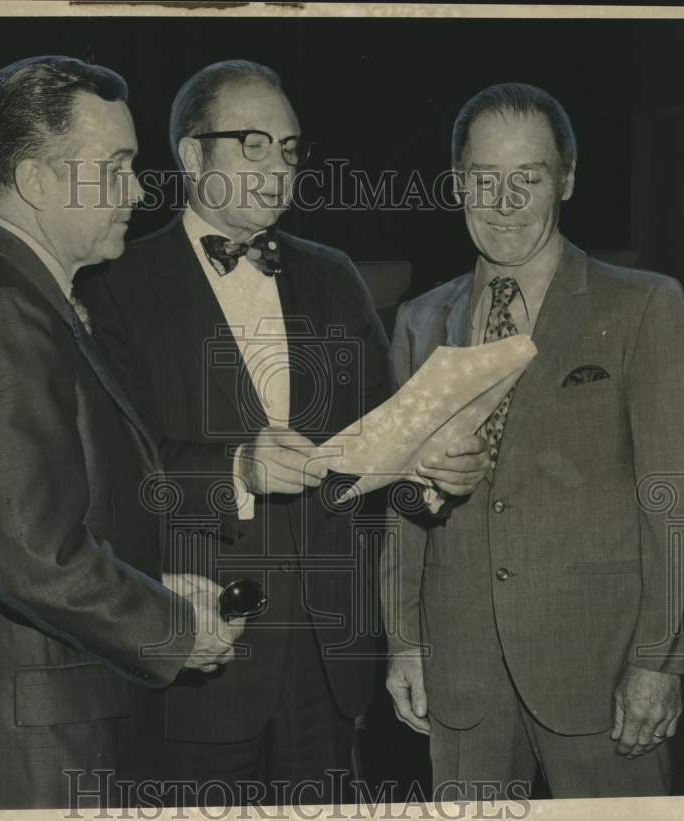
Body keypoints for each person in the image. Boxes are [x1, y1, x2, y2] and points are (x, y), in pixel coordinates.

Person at [80, 60, 486, 800]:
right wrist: (236, 466)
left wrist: (431, 478)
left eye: (291, 149)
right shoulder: (115, 286)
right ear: (194, 154)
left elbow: (379, 444)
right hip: (198, 657)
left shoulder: (334, 276)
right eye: (254, 144)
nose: (279, 168)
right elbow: (110, 474)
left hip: (330, 661)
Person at [0, 55, 242, 810]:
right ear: (37, 180)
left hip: (63, 733)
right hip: (38, 756)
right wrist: (173, 625)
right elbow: (33, 559)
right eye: (115, 167)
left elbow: (64, 517)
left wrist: (154, 582)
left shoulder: (22, 294)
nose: (140, 190)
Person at [383, 82, 684, 799]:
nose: (505, 202)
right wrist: (405, 641)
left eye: (527, 178)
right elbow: (402, 501)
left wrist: (661, 662)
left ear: (565, 180)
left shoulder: (642, 305)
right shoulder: (420, 320)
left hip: (602, 675)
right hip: (460, 674)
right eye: (485, 179)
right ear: (457, 185)